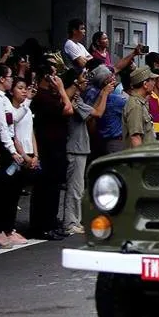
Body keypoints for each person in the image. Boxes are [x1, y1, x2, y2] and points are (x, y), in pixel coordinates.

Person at [62, 68, 109, 234]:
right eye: (82, 80)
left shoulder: (77, 99)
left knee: (78, 187)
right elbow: (98, 113)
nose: (85, 83)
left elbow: (89, 114)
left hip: (79, 146)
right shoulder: (72, 100)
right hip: (75, 147)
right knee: (75, 188)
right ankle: (70, 222)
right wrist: (104, 94)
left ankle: (74, 219)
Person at [29, 63, 73, 240]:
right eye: (55, 75)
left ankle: (51, 222)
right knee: (44, 189)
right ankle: (42, 226)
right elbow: (68, 109)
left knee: (54, 188)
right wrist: (62, 90)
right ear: (47, 78)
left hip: (57, 147)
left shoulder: (50, 96)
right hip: (47, 147)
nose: (58, 79)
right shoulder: (42, 97)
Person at [0, 64, 23, 248]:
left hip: (10, 145)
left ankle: (8, 228)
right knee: (2, 191)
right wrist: (11, 150)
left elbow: (14, 119)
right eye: (9, 76)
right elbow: (1, 127)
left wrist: (27, 101)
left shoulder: (5, 98)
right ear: (1, 79)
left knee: (12, 190)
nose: (11, 79)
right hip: (4, 147)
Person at [122, 65, 158, 148]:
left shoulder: (141, 103)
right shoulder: (135, 105)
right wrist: (141, 160)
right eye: (152, 80)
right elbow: (135, 137)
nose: (154, 83)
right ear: (145, 84)